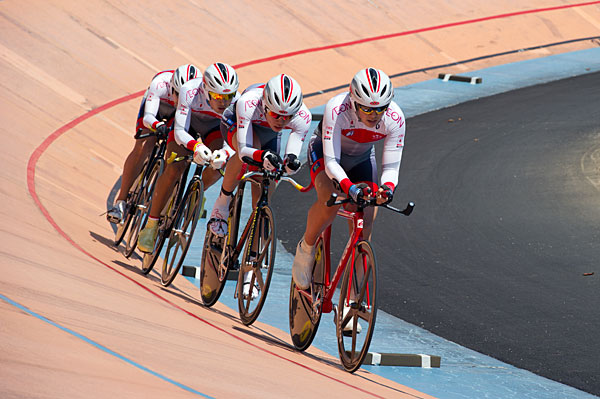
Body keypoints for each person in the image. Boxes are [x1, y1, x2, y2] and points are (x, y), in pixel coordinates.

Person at [292, 67, 406, 294]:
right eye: (367, 109)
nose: (374, 115)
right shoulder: (337, 108)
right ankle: (306, 249)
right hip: (326, 155)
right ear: (354, 102)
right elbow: (332, 162)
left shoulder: (396, 118)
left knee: (368, 216)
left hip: (362, 158)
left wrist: (387, 188)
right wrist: (350, 188)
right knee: (329, 201)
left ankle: (354, 294)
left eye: (380, 109)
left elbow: (391, 167)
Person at [208, 73, 312, 297]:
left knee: (264, 195)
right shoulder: (249, 102)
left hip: (266, 135)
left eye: (287, 117)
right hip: (238, 125)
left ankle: (250, 272)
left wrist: (290, 164)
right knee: (250, 152)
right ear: (265, 104)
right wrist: (261, 155)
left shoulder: (302, 116)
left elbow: (292, 156)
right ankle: (223, 202)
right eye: (276, 114)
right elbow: (245, 150)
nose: (281, 121)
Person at [136, 62, 240, 253]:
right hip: (189, 128)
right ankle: (151, 225)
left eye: (228, 97)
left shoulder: (236, 102)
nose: (224, 102)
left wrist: (223, 153)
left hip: (216, 130)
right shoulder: (189, 91)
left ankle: (198, 193)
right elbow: (180, 131)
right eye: (218, 96)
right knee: (174, 168)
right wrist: (196, 146)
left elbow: (234, 141)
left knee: (219, 166)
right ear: (206, 89)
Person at [107, 64, 199, 224]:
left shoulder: (194, 94)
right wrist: (158, 126)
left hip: (178, 115)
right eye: (178, 94)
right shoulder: (160, 84)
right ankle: (120, 202)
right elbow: (148, 117)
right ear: (172, 87)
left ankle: (166, 206)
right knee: (144, 145)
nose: (181, 97)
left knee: (176, 158)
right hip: (157, 110)